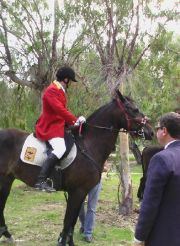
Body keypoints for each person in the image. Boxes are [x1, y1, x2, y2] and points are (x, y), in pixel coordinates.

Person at [34, 66, 86, 192]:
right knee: (60, 148)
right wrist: (74, 120)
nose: (71, 84)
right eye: (71, 81)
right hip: (50, 126)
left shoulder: (59, 90)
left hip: (58, 124)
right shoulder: (52, 90)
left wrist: (76, 119)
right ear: (66, 79)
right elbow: (59, 110)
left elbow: (63, 110)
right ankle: (41, 180)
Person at [134, 112, 180, 246]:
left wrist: (139, 236)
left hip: (165, 236)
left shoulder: (162, 159)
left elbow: (150, 203)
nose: (156, 131)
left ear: (164, 131)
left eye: (158, 128)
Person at [79, 161, 109, 243]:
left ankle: (88, 233)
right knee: (79, 206)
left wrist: (99, 168)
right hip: (82, 182)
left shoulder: (99, 153)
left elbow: (106, 168)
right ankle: (83, 224)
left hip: (95, 182)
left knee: (91, 208)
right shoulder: (82, 151)